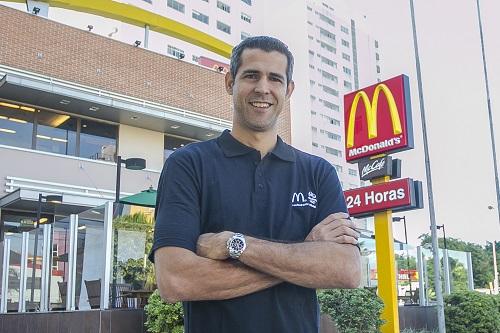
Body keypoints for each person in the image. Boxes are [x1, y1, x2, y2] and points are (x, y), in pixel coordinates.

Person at [150, 36, 361, 333]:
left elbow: (347, 270)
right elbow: (175, 280)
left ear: (288, 90)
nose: (263, 88)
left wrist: (233, 244)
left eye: (275, 78)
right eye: (251, 75)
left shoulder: (318, 173)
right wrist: (307, 251)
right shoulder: (188, 164)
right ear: (229, 83)